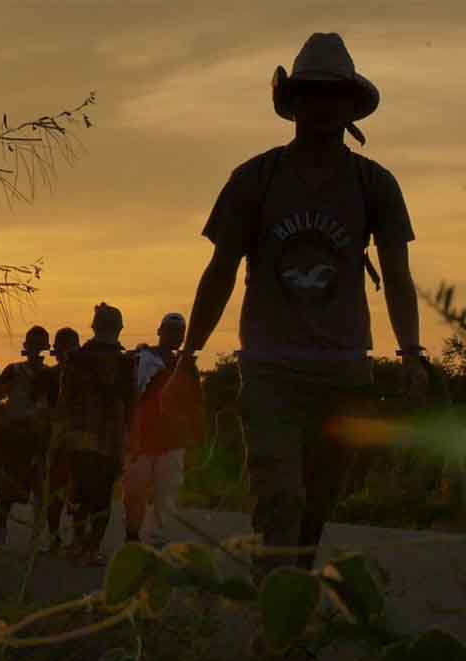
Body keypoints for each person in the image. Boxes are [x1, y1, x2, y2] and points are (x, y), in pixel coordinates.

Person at [163, 32, 425, 575]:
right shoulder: (254, 179)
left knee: (317, 507)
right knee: (280, 497)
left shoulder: (374, 183)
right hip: (270, 369)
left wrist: (410, 353)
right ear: (294, 103)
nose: (323, 105)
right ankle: (273, 637)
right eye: (312, 93)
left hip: (344, 370)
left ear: (351, 106)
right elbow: (220, 273)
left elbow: (397, 275)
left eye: (334, 95)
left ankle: (289, 610)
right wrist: (187, 358)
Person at [58, 304, 136, 566]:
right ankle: (91, 547)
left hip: (81, 435)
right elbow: (132, 402)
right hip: (108, 437)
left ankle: (81, 543)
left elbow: (65, 399)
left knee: (81, 491)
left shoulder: (77, 358)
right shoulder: (126, 362)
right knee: (101, 494)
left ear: (94, 327)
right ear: (119, 328)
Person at [122, 313, 203, 547]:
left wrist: (196, 436)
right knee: (134, 492)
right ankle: (132, 535)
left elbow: (195, 403)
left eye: (180, 332)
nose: (175, 335)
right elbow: (129, 395)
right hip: (142, 437)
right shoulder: (141, 358)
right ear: (160, 331)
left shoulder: (186, 366)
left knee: (165, 494)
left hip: (173, 440)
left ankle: (156, 540)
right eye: (171, 330)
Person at [0, 326, 53, 546]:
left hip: (37, 436)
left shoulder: (49, 375)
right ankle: (1, 531)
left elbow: (53, 405)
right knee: (8, 488)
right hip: (14, 434)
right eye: (33, 345)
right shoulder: (14, 371)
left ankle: (36, 536)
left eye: (39, 346)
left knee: (38, 485)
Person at [41, 327, 80, 552]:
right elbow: (42, 406)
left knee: (78, 490)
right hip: (55, 438)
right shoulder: (49, 376)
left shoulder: (86, 376)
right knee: (55, 489)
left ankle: (76, 537)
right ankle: (54, 536)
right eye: (63, 347)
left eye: (71, 346)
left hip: (79, 437)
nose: (66, 352)